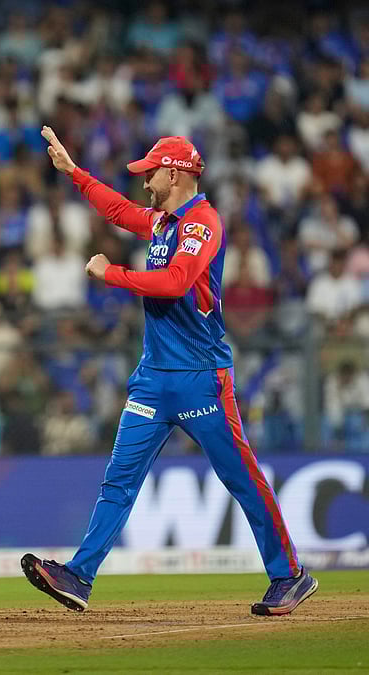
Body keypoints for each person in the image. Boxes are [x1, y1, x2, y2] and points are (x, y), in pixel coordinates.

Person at [23, 129, 318, 616]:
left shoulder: (201, 222)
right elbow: (118, 210)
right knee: (119, 479)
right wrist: (74, 173)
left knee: (241, 479)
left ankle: (290, 574)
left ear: (175, 173)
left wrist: (110, 274)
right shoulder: (162, 222)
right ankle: (79, 576)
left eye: (150, 172)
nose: (144, 180)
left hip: (201, 376)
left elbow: (177, 282)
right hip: (154, 380)